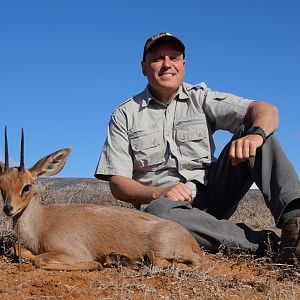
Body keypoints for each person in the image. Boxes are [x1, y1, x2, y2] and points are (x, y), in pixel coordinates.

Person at [95, 32, 300, 262]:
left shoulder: (201, 98)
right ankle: (266, 243)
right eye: (157, 58)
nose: (167, 64)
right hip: (168, 212)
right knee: (157, 213)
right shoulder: (124, 114)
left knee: (257, 133)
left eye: (174, 57)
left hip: (213, 195)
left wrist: (256, 135)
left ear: (184, 65)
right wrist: (159, 193)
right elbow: (118, 184)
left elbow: (265, 109)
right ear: (143, 67)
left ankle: (296, 226)